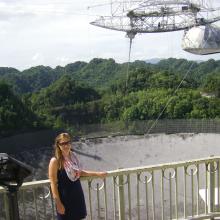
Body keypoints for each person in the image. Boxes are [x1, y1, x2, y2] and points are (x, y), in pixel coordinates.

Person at [48, 132, 107, 220]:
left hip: (77, 194)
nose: (66, 145)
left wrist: (97, 174)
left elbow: (79, 173)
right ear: (58, 145)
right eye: (63, 143)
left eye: (67, 142)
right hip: (65, 199)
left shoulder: (73, 157)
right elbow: (53, 184)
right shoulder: (55, 161)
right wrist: (58, 203)